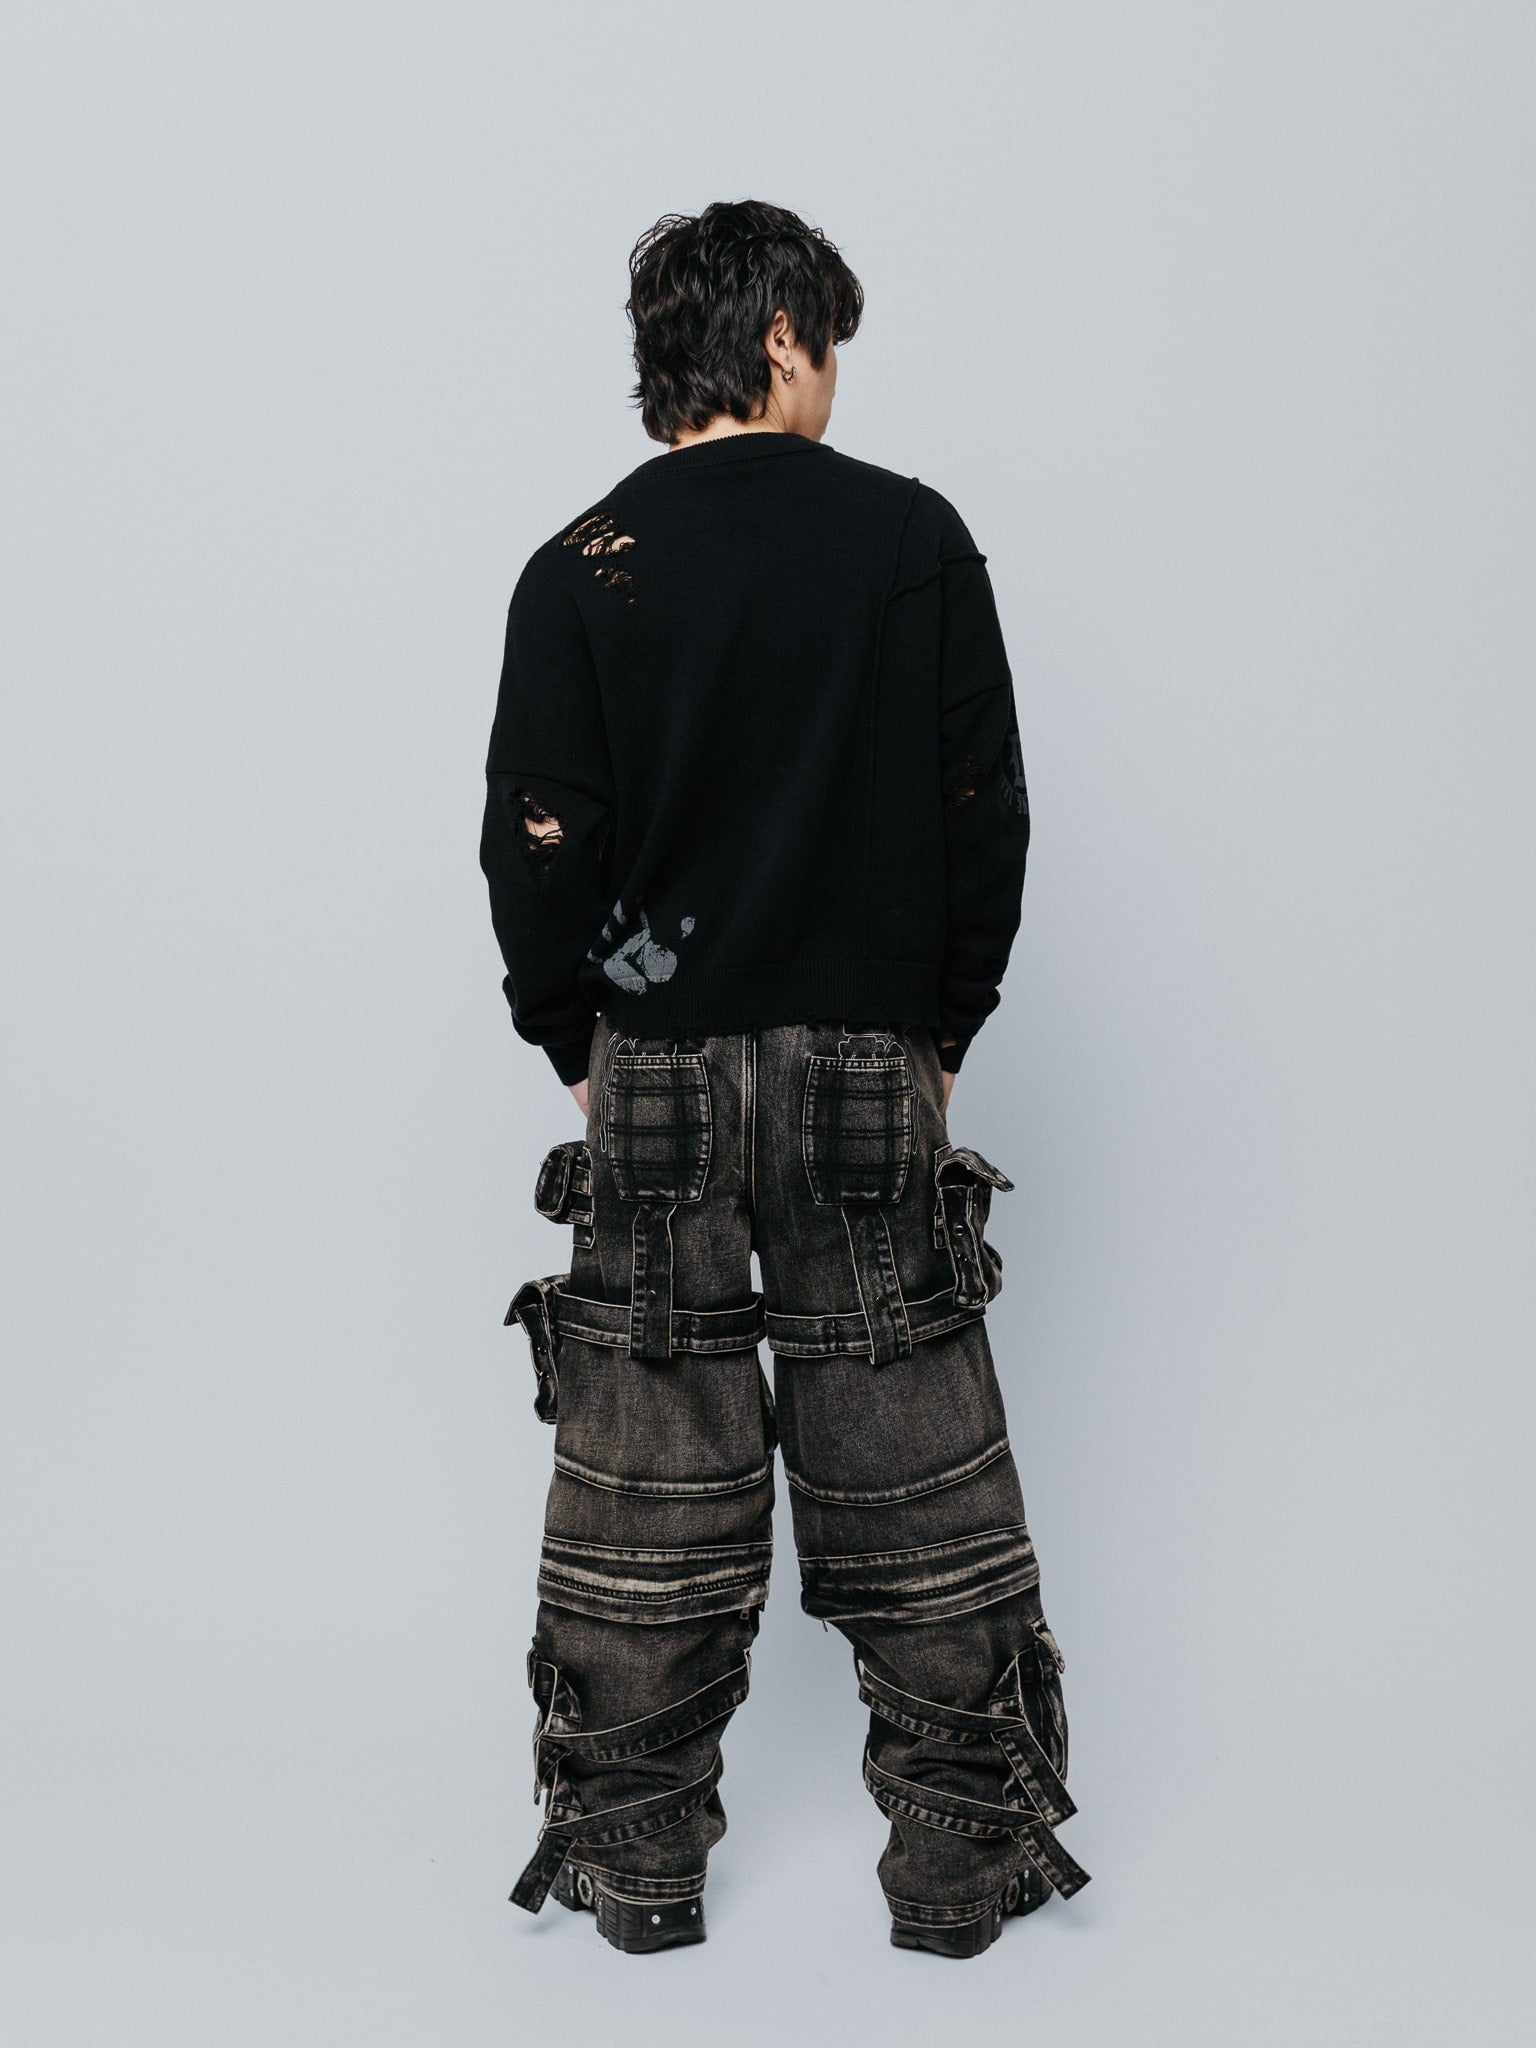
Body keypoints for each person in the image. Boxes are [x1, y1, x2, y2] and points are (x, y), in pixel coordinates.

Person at [478, 198, 1088, 1958]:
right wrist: (941, 1034)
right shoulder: (908, 539)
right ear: (776, 337)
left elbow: (535, 845)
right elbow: (985, 814)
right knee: (917, 1472)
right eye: (829, 344)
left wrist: (580, 1044)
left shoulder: (579, 565)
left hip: (655, 1073)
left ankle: (636, 1878)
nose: (835, 380)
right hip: (863, 1070)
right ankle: (958, 1880)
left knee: (645, 1488)